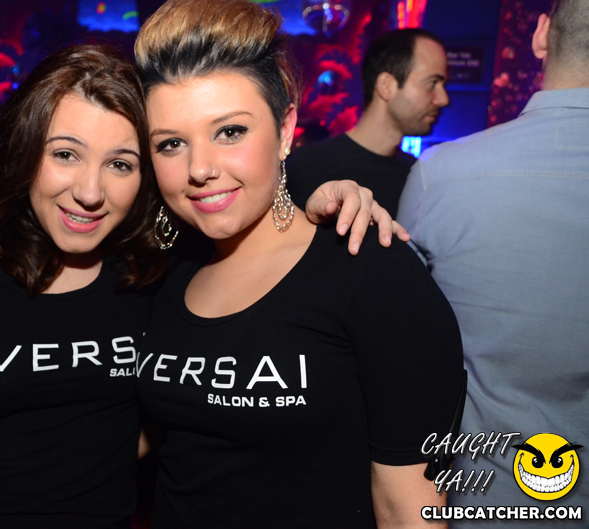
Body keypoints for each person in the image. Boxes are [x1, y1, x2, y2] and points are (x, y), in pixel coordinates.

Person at [0, 44, 392, 529]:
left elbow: (177, 408)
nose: (89, 192)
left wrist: (330, 199)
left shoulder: (165, 268)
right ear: (24, 149)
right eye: (65, 154)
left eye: (121, 164)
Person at [133, 1, 465, 527]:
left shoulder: (369, 270)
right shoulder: (165, 269)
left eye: (230, 132)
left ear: (286, 128)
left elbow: (409, 511)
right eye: (171, 143)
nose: (200, 169)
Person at [397, 0, 589, 524]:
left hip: (483, 499)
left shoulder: (442, 174)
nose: (442, 97)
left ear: (541, 35)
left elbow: (400, 353)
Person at [288, 28, 449, 217]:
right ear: (386, 86)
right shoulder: (307, 168)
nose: (443, 99)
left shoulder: (419, 177)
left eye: (443, 85)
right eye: (432, 83)